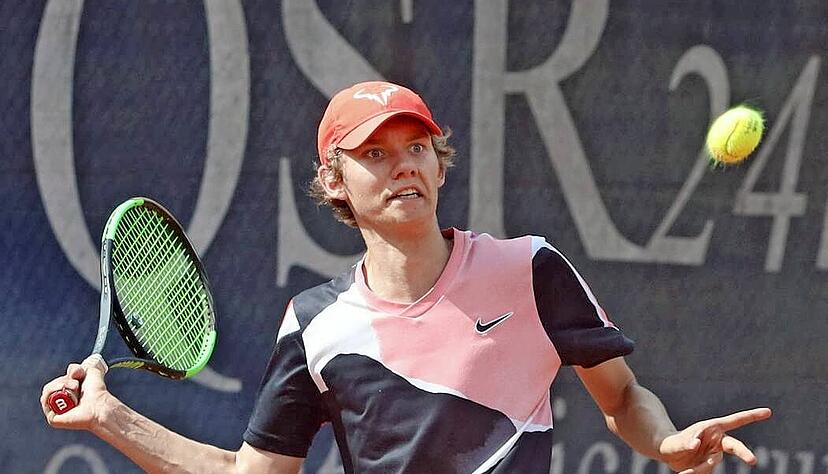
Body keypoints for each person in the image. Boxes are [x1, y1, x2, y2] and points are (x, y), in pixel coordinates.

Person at [41, 80, 771, 473]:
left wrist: (667, 442)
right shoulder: (316, 327)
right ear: (335, 182)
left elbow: (622, 399)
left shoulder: (530, 269)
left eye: (417, 146)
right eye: (376, 154)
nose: (405, 166)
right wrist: (109, 417)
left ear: (438, 162)